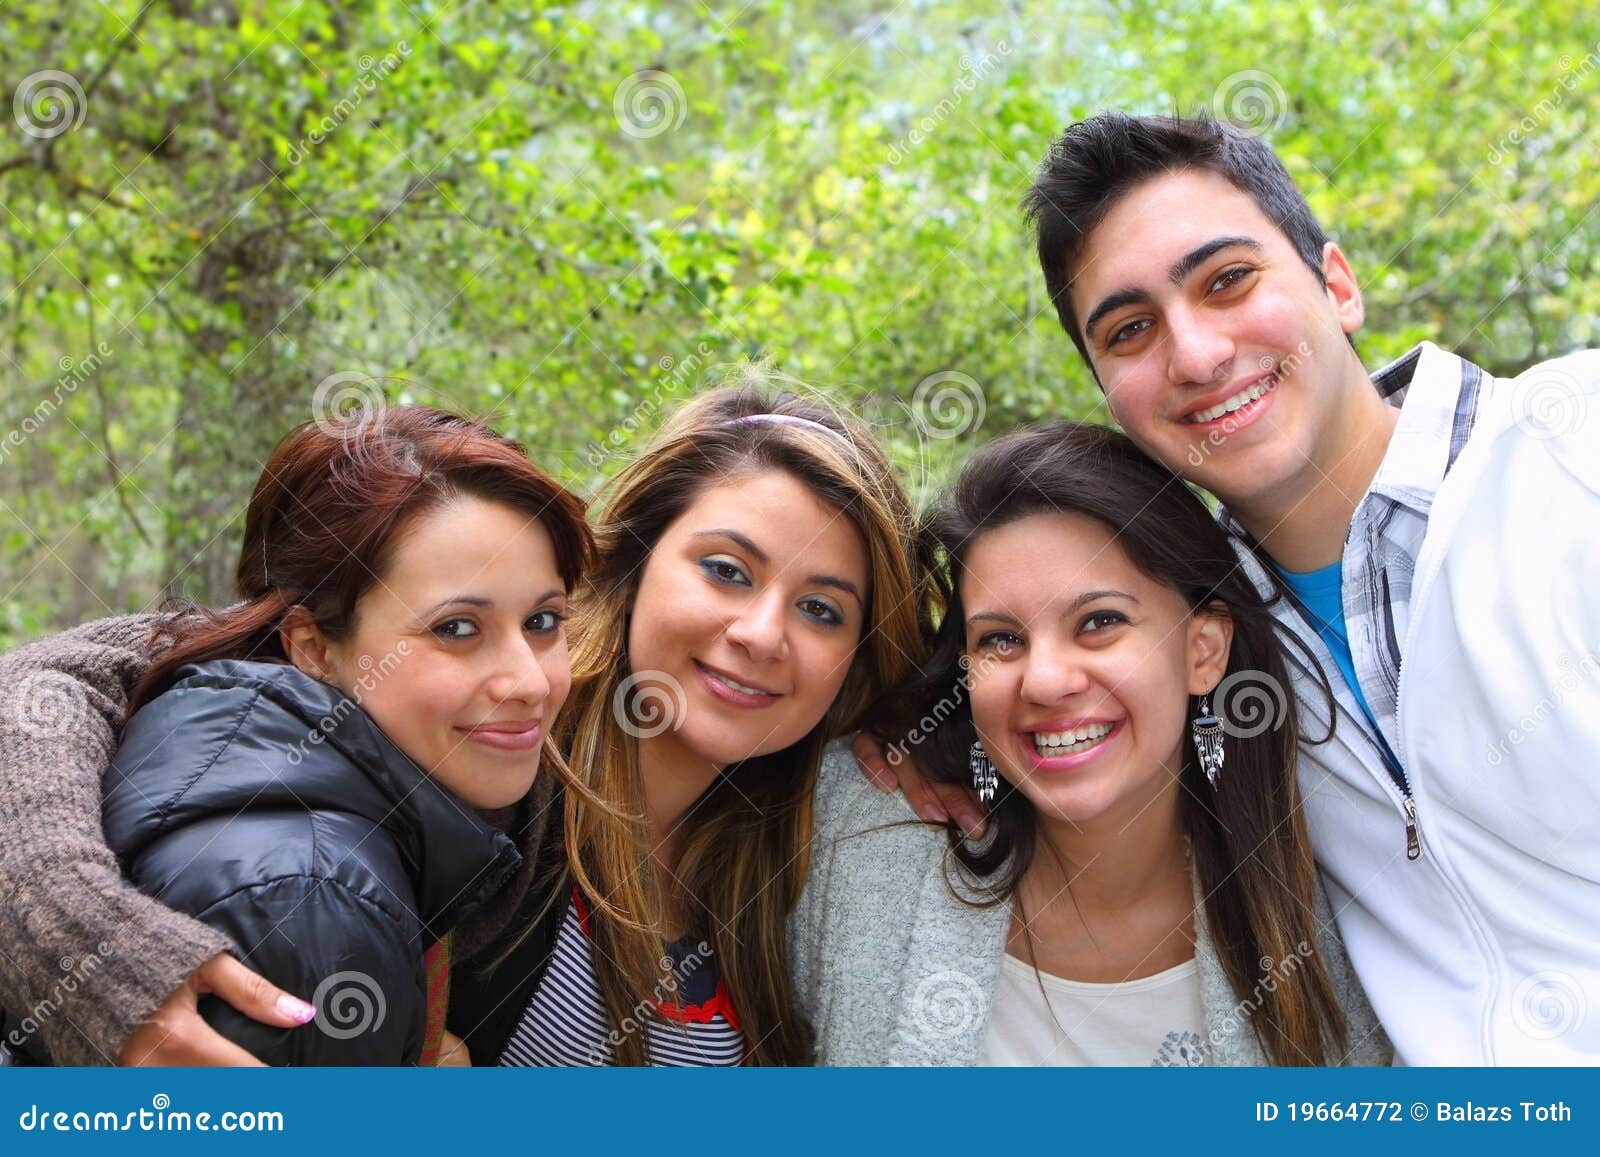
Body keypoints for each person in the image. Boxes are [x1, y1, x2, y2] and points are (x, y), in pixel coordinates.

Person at [855, 112, 1600, 1065]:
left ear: (1337, 284)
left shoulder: (1566, 456)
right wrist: (903, 733)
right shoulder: (1195, 632)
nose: (1197, 354)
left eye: (1229, 281)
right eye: (1130, 330)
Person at [0, 378, 932, 1067]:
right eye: (727, 569)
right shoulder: (487, 756)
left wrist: (950, 745)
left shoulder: (820, 842)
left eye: (823, 609)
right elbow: (73, 676)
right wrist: (75, 930)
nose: (761, 632)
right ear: (628, 564)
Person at [3, 405, 597, 1065]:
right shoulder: (308, 907)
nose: (529, 681)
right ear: (311, 646)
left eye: (544, 620)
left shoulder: (240, 728)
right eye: (457, 628)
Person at [792, 421, 1388, 1066]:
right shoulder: (851, 832)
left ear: (1203, 650)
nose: (1045, 681)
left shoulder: (1341, 899)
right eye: (999, 639)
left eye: (1099, 622)